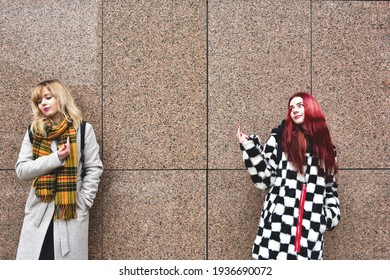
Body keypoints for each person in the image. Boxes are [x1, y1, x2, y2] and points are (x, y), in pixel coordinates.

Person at [236, 92, 340, 260]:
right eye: (291, 107)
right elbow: (264, 180)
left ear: (312, 109)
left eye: (300, 105)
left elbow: (330, 189)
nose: (295, 110)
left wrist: (325, 219)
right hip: (275, 236)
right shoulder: (279, 138)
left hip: (309, 241)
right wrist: (249, 147)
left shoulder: (327, 149)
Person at [15, 79, 103, 260]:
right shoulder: (34, 131)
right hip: (39, 210)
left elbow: (94, 168)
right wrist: (56, 158)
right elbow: (22, 170)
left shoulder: (83, 129)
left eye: (48, 97)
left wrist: (84, 201)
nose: (43, 104)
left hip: (70, 211)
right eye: (39, 101)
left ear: (61, 98)